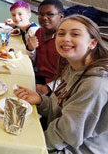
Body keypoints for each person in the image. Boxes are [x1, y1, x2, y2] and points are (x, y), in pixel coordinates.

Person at [14, 14, 108, 154]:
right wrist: (40, 100)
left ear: (92, 43)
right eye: (61, 33)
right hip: (57, 137)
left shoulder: (95, 84)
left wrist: (31, 146)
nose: (65, 38)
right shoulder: (73, 67)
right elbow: (61, 106)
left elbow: (67, 133)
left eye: (75, 34)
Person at [27, 0, 65, 95]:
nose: (44, 17)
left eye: (50, 14)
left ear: (61, 16)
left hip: (55, 85)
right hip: (36, 75)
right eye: (41, 14)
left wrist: (49, 88)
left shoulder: (65, 40)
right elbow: (35, 60)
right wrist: (30, 49)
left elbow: (72, 73)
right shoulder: (40, 32)